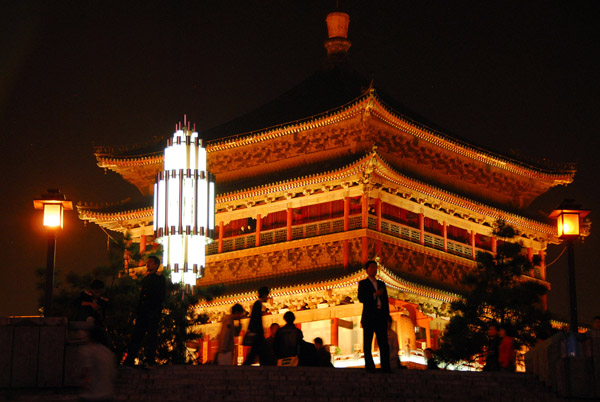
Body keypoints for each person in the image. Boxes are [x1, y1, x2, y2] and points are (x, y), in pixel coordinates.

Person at [123, 256, 166, 367]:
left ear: (156, 265)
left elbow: (160, 295)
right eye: (147, 262)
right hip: (143, 312)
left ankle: (150, 358)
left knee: (151, 336)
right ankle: (130, 359)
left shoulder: (159, 278)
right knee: (137, 335)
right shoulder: (146, 279)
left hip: (152, 311)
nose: (148, 264)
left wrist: (154, 308)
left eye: (150, 262)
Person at [358, 260, 391, 373]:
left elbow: (386, 301)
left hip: (380, 315)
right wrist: (374, 295)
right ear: (367, 270)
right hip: (369, 316)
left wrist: (387, 317)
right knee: (368, 342)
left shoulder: (381, 284)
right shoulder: (363, 284)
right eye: (371, 267)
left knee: (383, 343)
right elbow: (361, 298)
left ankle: (385, 366)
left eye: (375, 267)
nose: (374, 269)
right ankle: (370, 366)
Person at [79, 326, 116, 402]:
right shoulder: (109, 353)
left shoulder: (88, 351)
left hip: (92, 396)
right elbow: (112, 375)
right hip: (107, 394)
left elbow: (86, 371)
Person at [75, 279, 111, 347]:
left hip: (96, 322)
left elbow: (103, 316)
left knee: (105, 336)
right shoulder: (85, 296)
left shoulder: (103, 301)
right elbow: (77, 303)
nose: (97, 294)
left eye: (99, 292)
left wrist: (99, 311)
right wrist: (90, 304)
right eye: (96, 291)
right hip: (84, 318)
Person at [243, 286, 270, 365]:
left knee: (255, 353)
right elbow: (255, 319)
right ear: (264, 295)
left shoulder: (258, 304)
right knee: (259, 352)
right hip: (257, 333)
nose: (267, 297)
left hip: (257, 333)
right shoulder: (258, 304)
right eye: (267, 295)